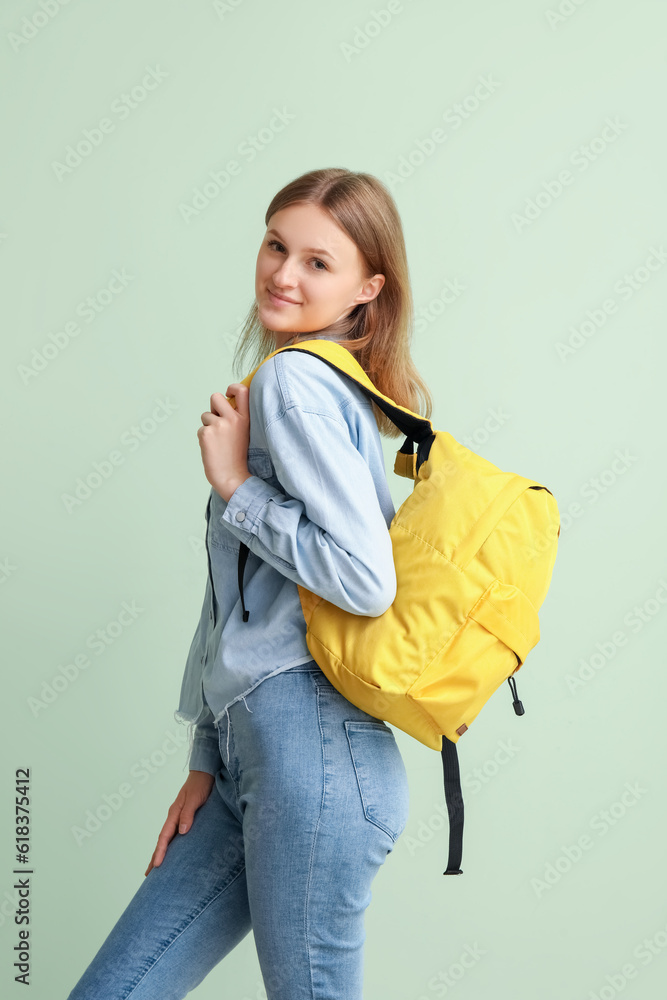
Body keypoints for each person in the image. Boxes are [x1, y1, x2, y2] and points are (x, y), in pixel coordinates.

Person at [66, 167, 433, 1000]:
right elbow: (239, 596)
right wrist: (208, 755)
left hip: (313, 752)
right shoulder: (303, 382)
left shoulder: (300, 381)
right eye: (276, 246)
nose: (282, 274)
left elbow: (365, 581)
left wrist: (239, 490)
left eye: (317, 262)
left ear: (365, 290)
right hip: (258, 757)